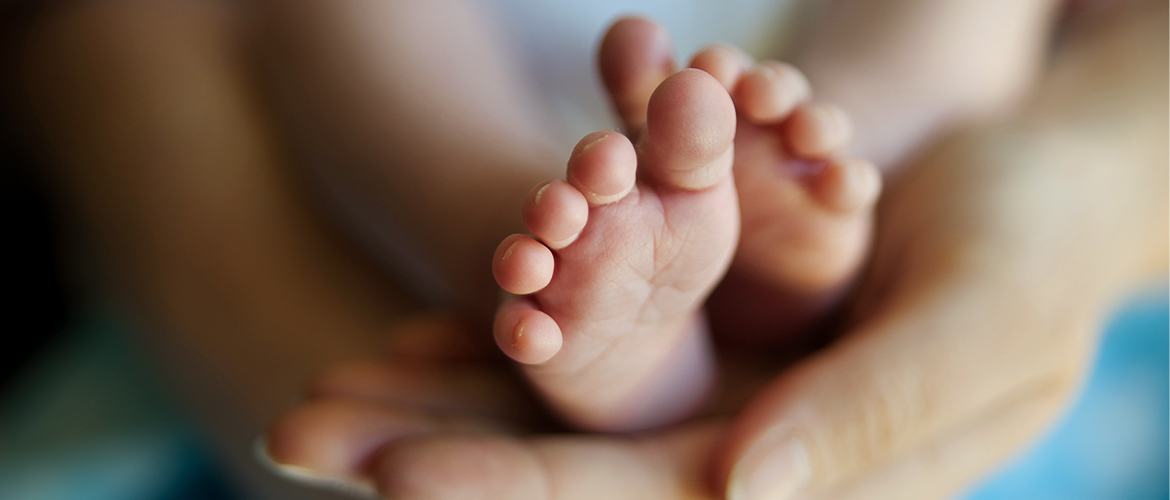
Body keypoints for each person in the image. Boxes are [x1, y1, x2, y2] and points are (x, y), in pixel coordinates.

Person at [8, 0, 1164, 499]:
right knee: (344, 31)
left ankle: (827, 181)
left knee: (953, 31)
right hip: (465, 103)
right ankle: (507, 228)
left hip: (833, 85)